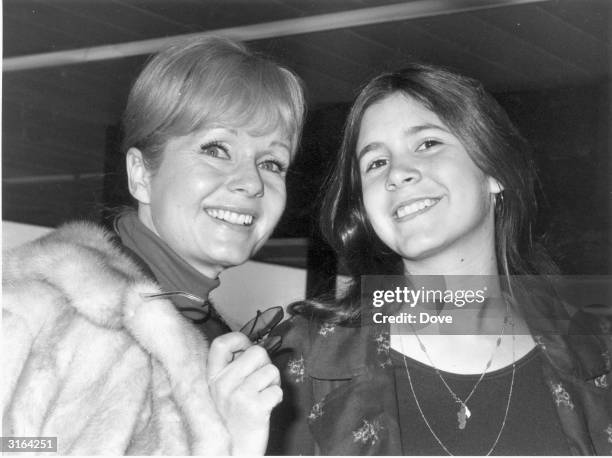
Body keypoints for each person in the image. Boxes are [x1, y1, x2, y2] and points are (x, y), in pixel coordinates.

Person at [270, 63, 612, 455]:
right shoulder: (300, 357)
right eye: (376, 163)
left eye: (428, 144)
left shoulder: (597, 353)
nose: (397, 174)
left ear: (494, 171)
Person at [2, 36, 305, 455]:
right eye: (217, 149)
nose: (252, 182)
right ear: (141, 174)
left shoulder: (213, 340)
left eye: (272, 162)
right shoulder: (38, 311)